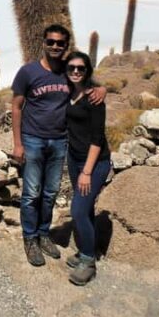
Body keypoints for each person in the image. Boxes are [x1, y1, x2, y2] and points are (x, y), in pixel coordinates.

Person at [11, 24, 105, 267]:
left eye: (60, 43)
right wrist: (18, 143)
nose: (55, 46)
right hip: (32, 139)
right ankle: (30, 238)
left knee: (51, 192)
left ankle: (44, 234)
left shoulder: (68, 70)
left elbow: (89, 85)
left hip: (59, 140)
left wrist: (103, 88)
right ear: (43, 42)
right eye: (51, 42)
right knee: (31, 193)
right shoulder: (27, 72)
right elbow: (16, 106)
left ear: (66, 46)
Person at [64, 51, 111, 286]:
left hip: (94, 162)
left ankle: (88, 261)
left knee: (79, 211)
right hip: (74, 159)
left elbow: (97, 138)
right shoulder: (68, 91)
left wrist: (87, 172)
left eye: (80, 68)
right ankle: (86, 248)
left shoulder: (94, 99)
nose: (75, 71)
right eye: (71, 67)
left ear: (87, 71)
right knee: (87, 209)